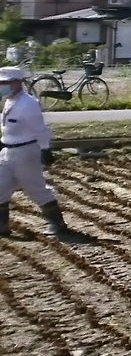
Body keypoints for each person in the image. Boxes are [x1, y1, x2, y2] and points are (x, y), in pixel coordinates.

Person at [0, 66, 65, 238]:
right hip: (7, 151)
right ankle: (2, 225)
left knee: (35, 188)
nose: (1, 86)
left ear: (17, 82)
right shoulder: (10, 101)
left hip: (26, 152)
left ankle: (57, 224)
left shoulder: (28, 104)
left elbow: (40, 130)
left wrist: (45, 149)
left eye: (5, 83)